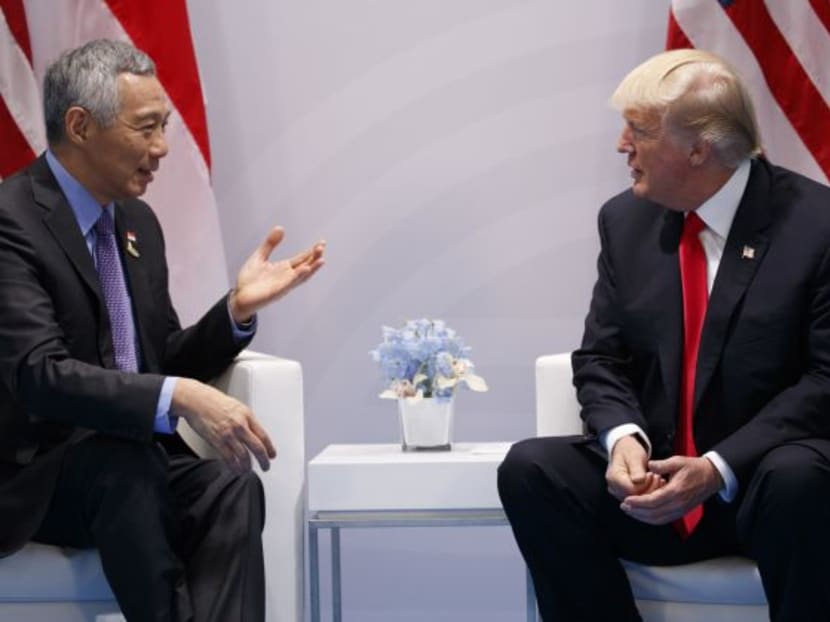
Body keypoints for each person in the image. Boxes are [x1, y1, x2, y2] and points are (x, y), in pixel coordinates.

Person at [498, 48, 830, 621]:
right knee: (532, 469)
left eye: (641, 129)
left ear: (698, 149)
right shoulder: (624, 221)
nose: (621, 144)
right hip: (652, 489)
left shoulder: (816, 224)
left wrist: (717, 468)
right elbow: (600, 359)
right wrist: (623, 440)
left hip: (760, 488)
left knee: (800, 479)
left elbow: (825, 379)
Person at [0, 39, 325, 621]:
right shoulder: (12, 220)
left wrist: (235, 313)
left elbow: (159, 359)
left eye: (164, 126)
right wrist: (179, 396)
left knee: (230, 487)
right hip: (38, 474)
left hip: (133, 461)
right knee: (124, 467)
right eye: (145, 128)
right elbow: (38, 373)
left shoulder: (137, 223)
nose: (162, 148)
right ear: (80, 126)